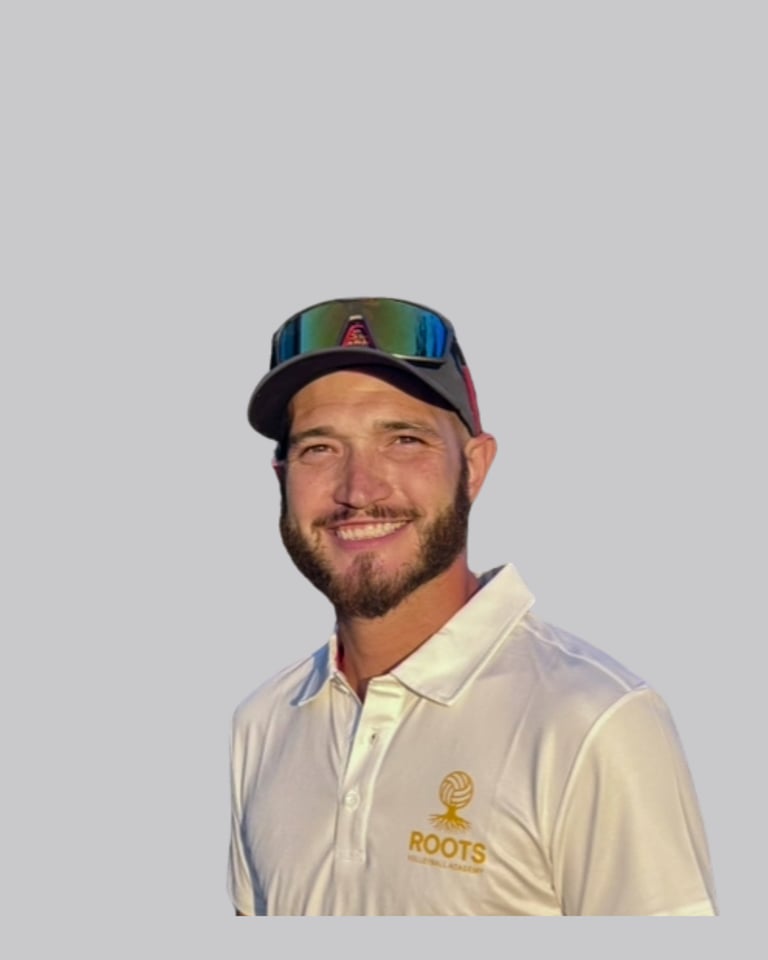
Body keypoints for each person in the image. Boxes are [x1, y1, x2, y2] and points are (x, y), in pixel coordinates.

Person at [228, 296, 717, 916]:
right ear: (282, 478)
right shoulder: (263, 724)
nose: (358, 490)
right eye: (319, 449)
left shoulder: (593, 723)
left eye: (404, 440)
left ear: (475, 468)